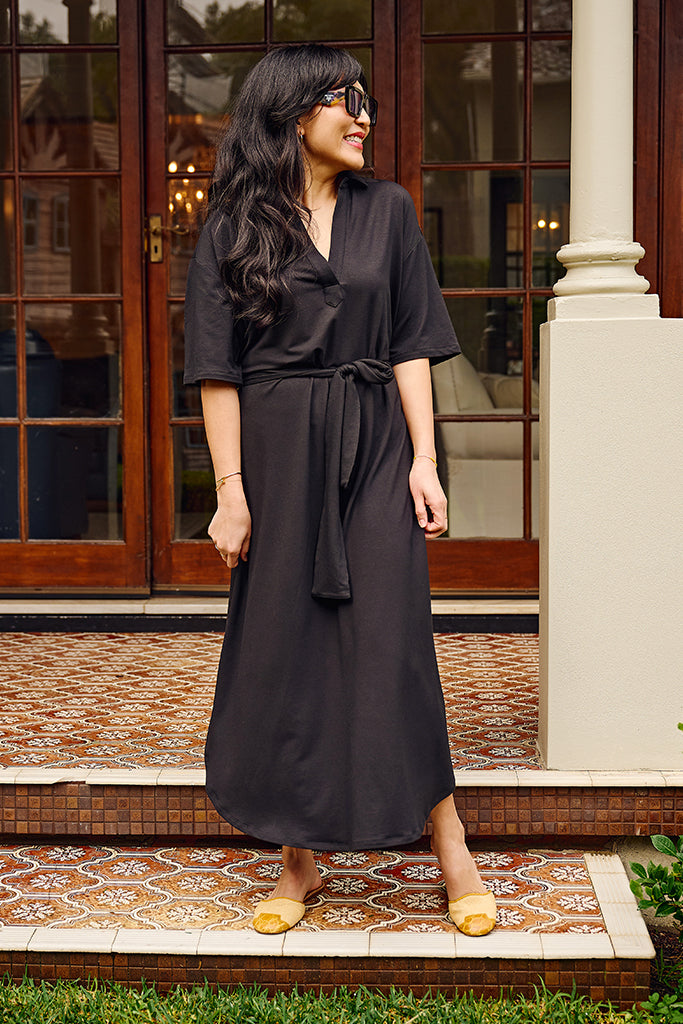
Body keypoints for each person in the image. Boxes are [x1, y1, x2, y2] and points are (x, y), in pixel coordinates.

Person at [184, 43, 496, 938]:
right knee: (288, 648)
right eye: (343, 100)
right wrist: (231, 491)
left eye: (364, 101)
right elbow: (218, 372)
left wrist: (424, 461)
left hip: (374, 446)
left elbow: (409, 344)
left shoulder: (386, 210)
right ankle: (299, 860)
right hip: (277, 455)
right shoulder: (231, 226)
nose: (363, 116)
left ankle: (449, 842)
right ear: (291, 115)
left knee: (393, 643)